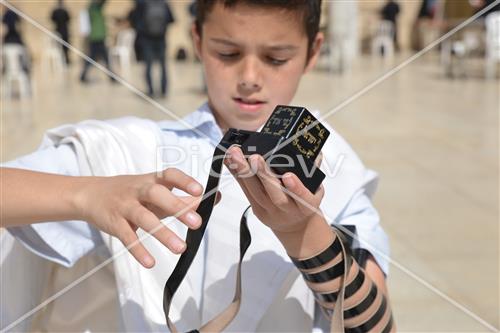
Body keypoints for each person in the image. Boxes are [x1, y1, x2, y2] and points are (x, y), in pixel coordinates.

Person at [1, 1, 394, 331]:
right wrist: (87, 194)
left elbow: (378, 326)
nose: (250, 78)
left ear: (313, 51)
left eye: (276, 58)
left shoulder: (340, 169)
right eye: (228, 54)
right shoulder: (129, 149)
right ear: (198, 40)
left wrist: (304, 232)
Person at [140, 0, 175, 97]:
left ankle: (150, 91)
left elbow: (138, 20)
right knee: (163, 66)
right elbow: (172, 20)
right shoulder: (164, 4)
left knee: (148, 66)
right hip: (161, 38)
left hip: (147, 39)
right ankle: (163, 91)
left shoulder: (144, 3)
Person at [79, 0, 115, 83]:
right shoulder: (94, 8)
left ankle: (83, 75)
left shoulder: (94, 9)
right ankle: (111, 76)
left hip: (97, 37)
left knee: (99, 58)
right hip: (96, 37)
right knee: (99, 57)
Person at [50, 0, 71, 65]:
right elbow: (68, 19)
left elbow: (52, 19)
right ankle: (65, 62)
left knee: (63, 49)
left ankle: (64, 62)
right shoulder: (64, 11)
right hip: (63, 32)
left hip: (60, 31)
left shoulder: (56, 11)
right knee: (63, 49)